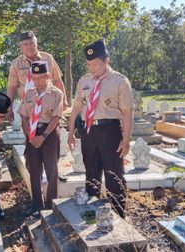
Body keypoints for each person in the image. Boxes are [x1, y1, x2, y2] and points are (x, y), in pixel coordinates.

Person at [67, 39, 133, 218]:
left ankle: (119, 215)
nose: (91, 68)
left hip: (110, 131)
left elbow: (127, 113)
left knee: (114, 176)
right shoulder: (84, 81)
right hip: (88, 132)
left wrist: (126, 140)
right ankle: (92, 213)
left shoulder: (120, 81)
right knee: (91, 174)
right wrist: (71, 133)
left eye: (95, 64)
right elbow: (76, 109)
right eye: (89, 64)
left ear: (107, 60)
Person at [18, 61, 63, 218]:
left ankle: (51, 206)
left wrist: (42, 136)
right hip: (32, 133)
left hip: (49, 134)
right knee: (34, 169)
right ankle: (37, 205)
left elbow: (56, 117)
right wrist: (29, 135)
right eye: (34, 78)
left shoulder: (56, 93)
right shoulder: (29, 93)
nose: (36, 81)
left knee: (51, 170)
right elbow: (23, 115)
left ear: (48, 76)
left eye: (40, 78)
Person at [7, 31, 67, 121]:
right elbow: (12, 88)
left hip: (49, 104)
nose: (29, 46)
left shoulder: (48, 58)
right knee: (29, 133)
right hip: (27, 106)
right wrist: (9, 109)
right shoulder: (16, 64)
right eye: (25, 44)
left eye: (32, 43)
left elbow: (58, 80)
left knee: (52, 132)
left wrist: (64, 100)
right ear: (21, 47)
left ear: (36, 43)